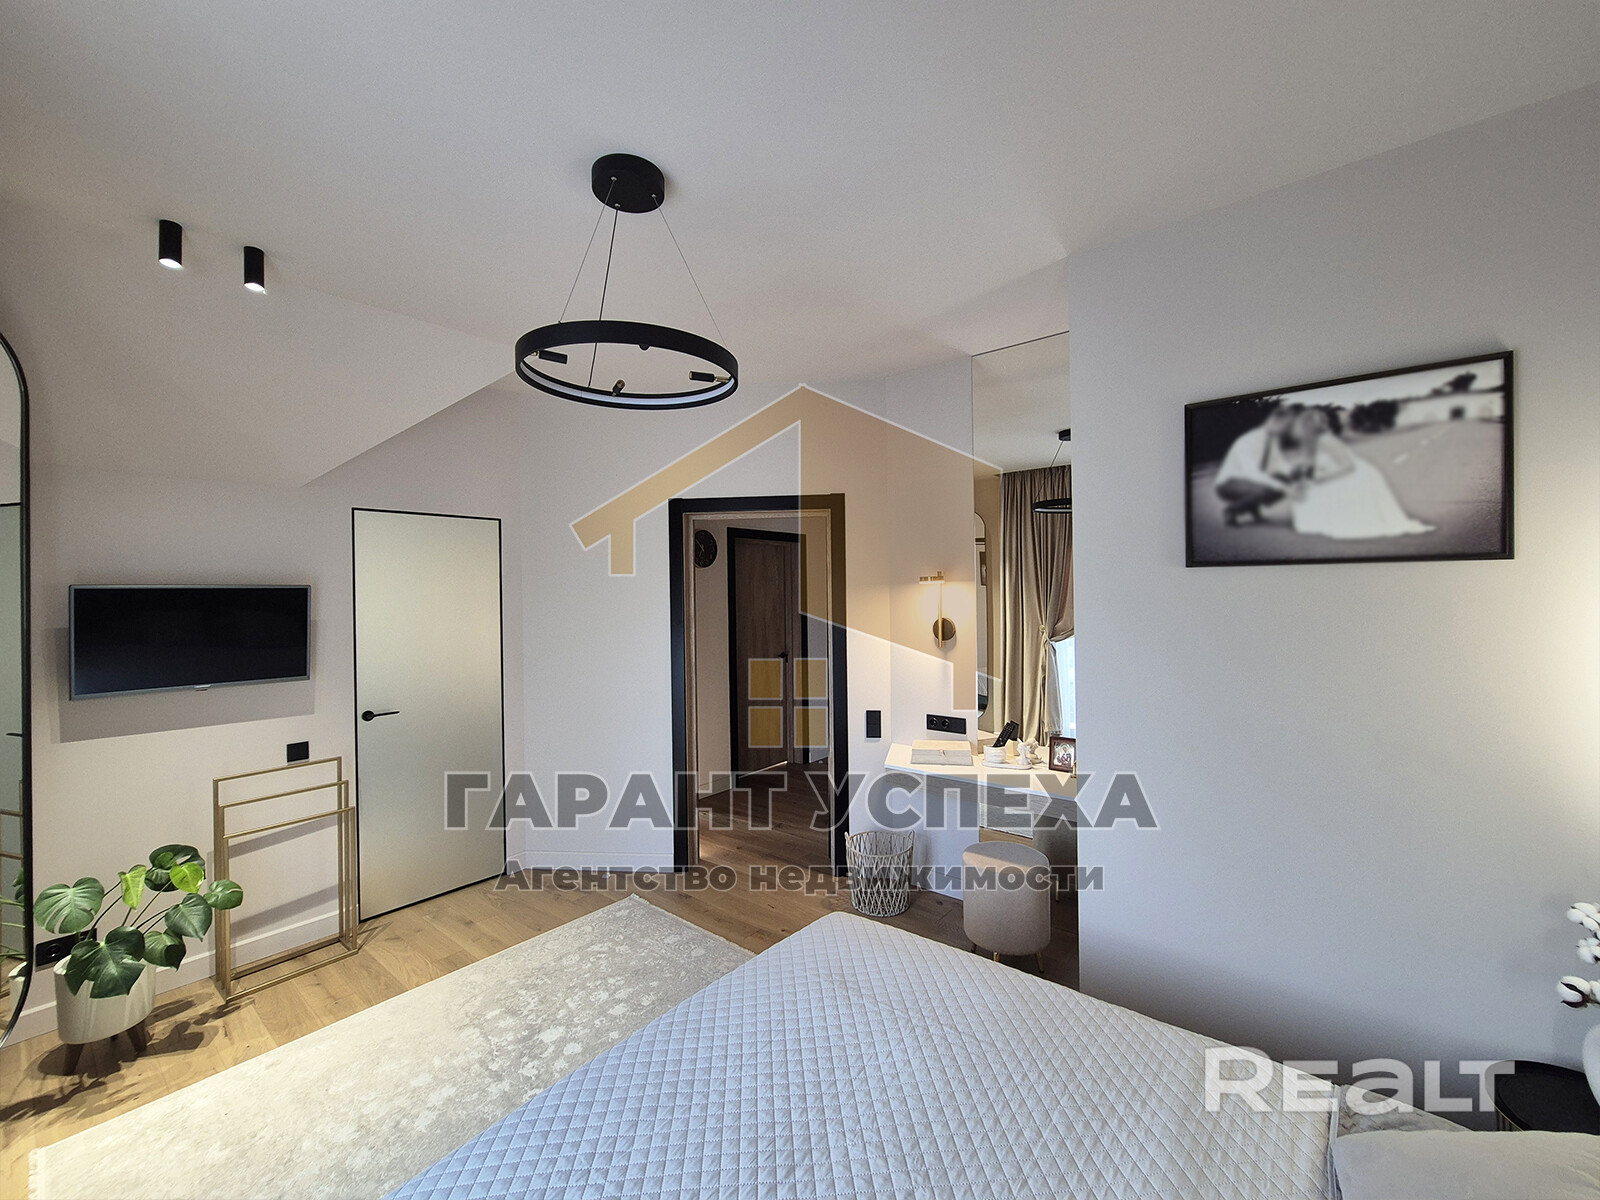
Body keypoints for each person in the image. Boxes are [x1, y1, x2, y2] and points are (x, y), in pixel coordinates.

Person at [1286, 409, 1433, 539]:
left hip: (1358, 475)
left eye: (1301, 427)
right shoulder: (1315, 442)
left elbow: (1349, 466)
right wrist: (1303, 477)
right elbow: (1313, 465)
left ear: (1308, 427)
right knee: (1308, 493)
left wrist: (1323, 479)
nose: (1299, 431)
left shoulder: (1326, 440)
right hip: (1341, 474)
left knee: (1315, 494)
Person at [1213, 403, 1299, 525]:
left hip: (1247, 481)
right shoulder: (1249, 440)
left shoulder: (1272, 439)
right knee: (1270, 488)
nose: (1288, 430)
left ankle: (1252, 506)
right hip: (1228, 483)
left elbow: (1278, 462)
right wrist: (1284, 488)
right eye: (1287, 425)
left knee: (1283, 481)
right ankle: (1231, 510)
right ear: (1275, 421)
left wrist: (1293, 474)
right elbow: (1252, 473)